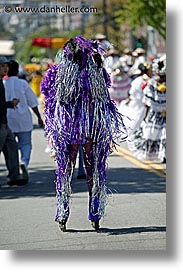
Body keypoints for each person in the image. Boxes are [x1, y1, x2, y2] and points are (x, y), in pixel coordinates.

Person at [41, 36, 127, 231]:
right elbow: (105, 92)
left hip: (68, 128)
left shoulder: (57, 71)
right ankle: (94, 213)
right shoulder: (96, 71)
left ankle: (62, 213)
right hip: (92, 129)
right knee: (93, 170)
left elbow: (46, 92)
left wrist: (52, 120)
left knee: (66, 170)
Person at [4, 60, 44, 181]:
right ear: (17, 71)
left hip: (7, 119)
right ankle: (24, 163)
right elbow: (32, 102)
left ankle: (13, 171)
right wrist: (39, 117)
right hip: (23, 119)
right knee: (25, 144)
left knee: (9, 148)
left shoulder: (3, 83)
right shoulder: (23, 83)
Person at [128, 55, 166, 163]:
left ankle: (164, 155)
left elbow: (147, 104)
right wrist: (146, 116)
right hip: (155, 113)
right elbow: (148, 103)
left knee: (163, 134)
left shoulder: (152, 82)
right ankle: (161, 154)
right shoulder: (152, 83)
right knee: (156, 134)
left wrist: (146, 116)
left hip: (158, 113)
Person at [0, 56, 28, 186]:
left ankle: (14, 176)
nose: (5, 68)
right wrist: (10, 104)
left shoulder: (2, 82)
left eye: (6, 66)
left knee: (12, 148)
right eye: (2, 66)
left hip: (4, 123)